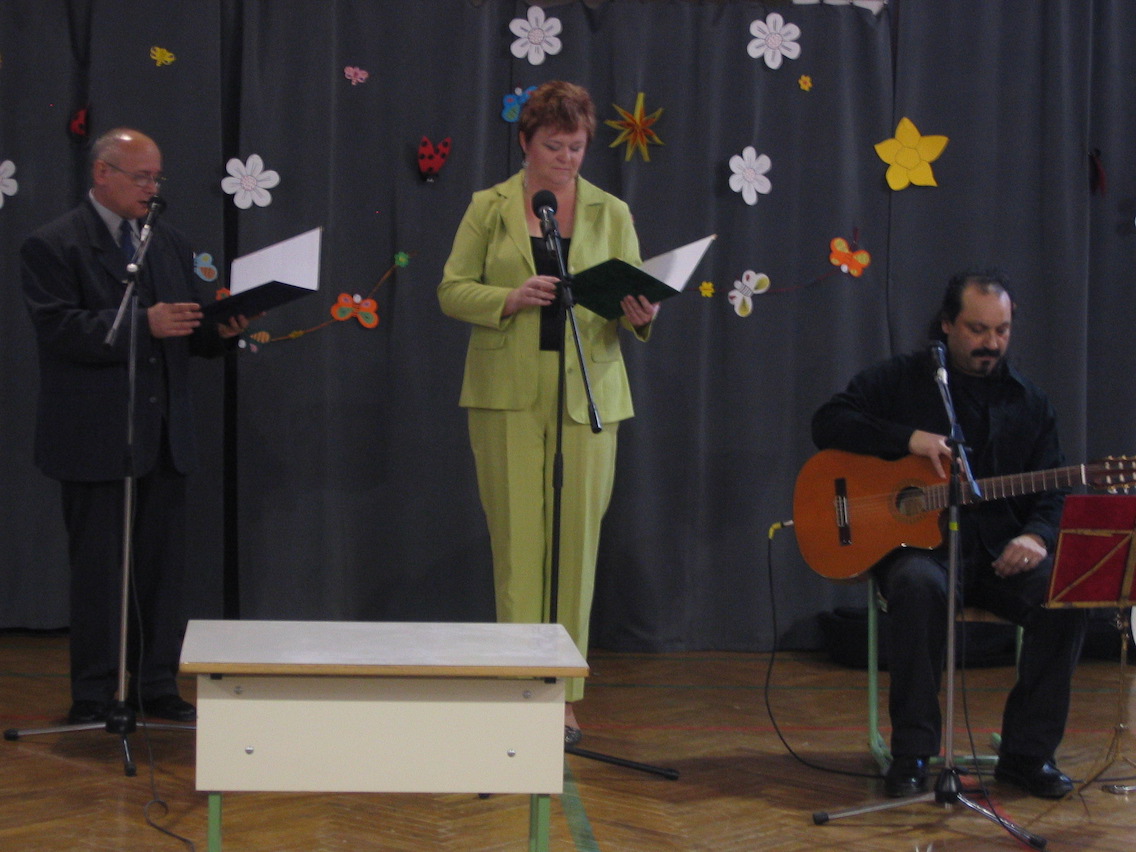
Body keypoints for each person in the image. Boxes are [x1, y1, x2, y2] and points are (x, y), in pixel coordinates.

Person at [438, 81, 659, 745]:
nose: (566, 158)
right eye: (554, 146)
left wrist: (641, 313)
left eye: (577, 147)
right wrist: (507, 298)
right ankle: (517, 685)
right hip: (507, 392)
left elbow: (633, 298)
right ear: (525, 142)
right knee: (518, 547)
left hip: (589, 391)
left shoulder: (611, 211)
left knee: (576, 547)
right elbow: (451, 289)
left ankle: (561, 695)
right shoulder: (489, 207)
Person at [811, 270, 1087, 799]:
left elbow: (1053, 489)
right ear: (946, 324)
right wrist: (908, 439)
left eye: (1002, 330)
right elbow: (828, 422)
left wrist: (1036, 537)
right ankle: (914, 752)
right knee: (918, 587)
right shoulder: (901, 380)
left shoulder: (1029, 403)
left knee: (1065, 596)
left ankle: (1027, 755)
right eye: (978, 329)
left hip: (998, 556)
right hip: (921, 552)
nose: (992, 343)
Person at [21, 128, 248, 724]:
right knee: (100, 572)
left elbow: (187, 329)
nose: (152, 188)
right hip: (97, 437)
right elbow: (59, 330)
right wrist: (145, 322)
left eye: (156, 178)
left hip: (164, 435)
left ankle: (155, 685)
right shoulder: (54, 244)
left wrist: (220, 331)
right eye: (142, 177)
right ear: (103, 173)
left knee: (161, 572)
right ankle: (95, 694)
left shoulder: (168, 242)